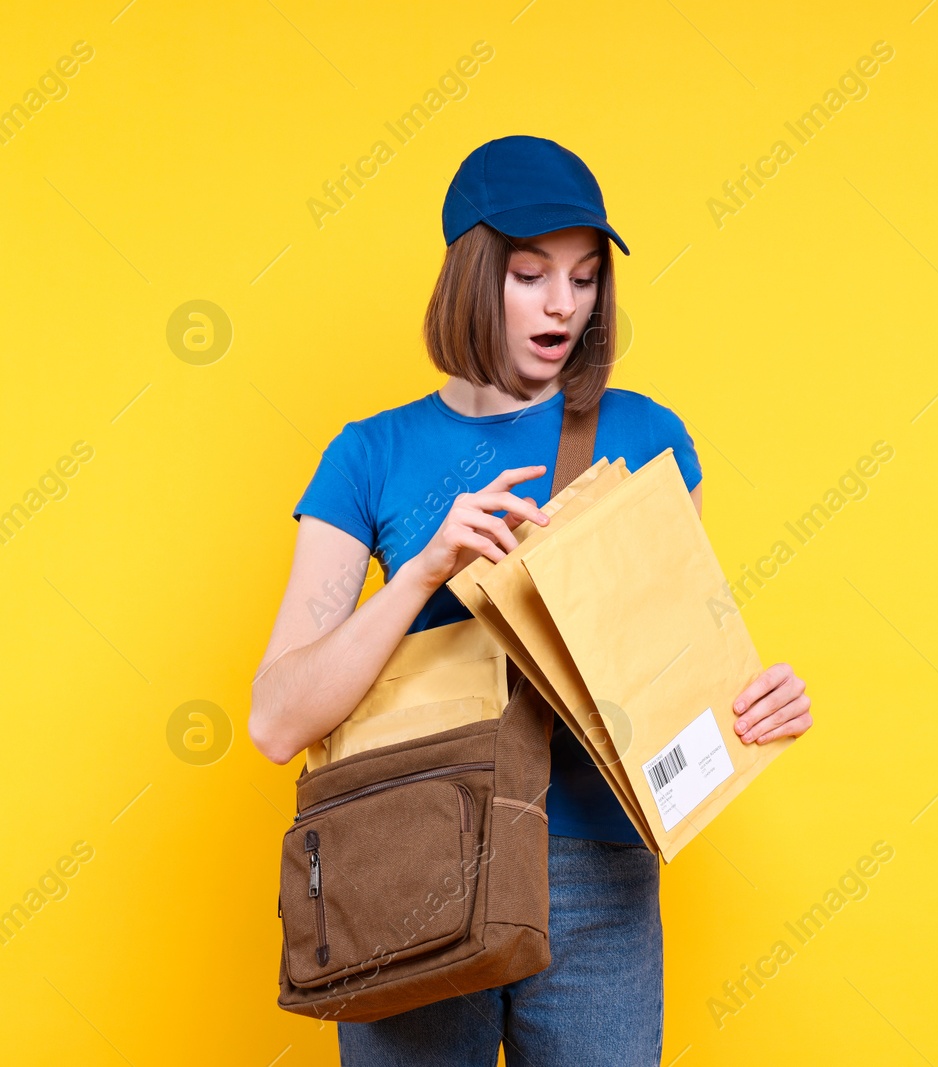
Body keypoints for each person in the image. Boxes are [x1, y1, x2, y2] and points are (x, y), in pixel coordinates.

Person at [248, 135, 814, 1066]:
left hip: (598, 874)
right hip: (416, 858)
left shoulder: (645, 434)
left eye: (586, 278)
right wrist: (426, 571)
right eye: (529, 274)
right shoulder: (371, 454)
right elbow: (278, 720)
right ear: (473, 276)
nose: (564, 304)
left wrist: (751, 711)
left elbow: (677, 685)